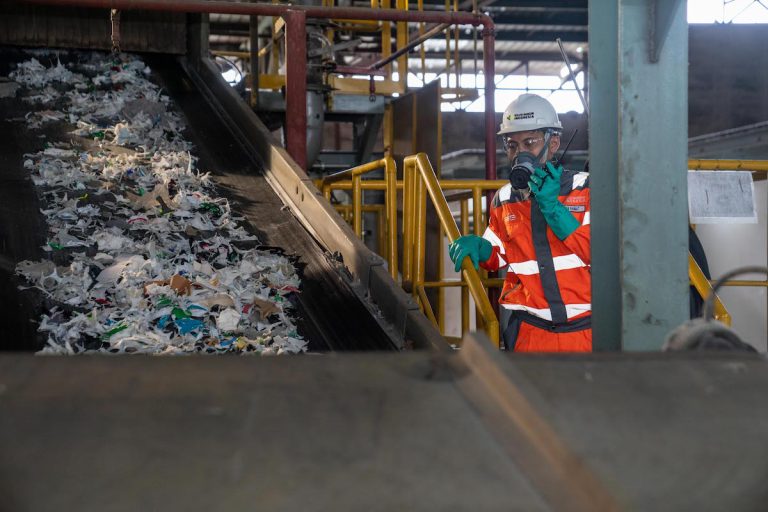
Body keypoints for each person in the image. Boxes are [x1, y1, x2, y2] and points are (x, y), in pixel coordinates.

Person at [448, 94, 591, 352]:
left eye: (530, 143)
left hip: (587, 332)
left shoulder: (586, 188)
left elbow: (597, 252)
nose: (520, 153)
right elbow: (499, 253)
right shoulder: (504, 199)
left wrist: (553, 208)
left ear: (554, 142)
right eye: (512, 145)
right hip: (529, 334)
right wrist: (480, 248)